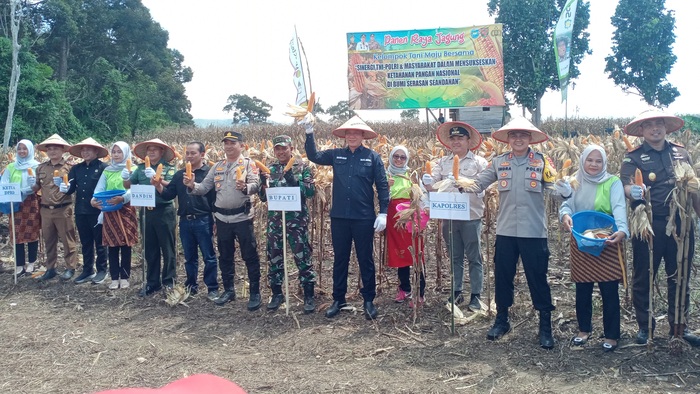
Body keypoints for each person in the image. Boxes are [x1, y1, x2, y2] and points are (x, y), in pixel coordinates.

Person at [472, 117, 568, 349]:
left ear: (530, 139)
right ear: (507, 139)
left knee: (538, 279)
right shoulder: (498, 162)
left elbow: (554, 190)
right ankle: (501, 319)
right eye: (513, 135)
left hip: (534, 231)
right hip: (506, 231)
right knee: (503, 276)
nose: (518, 139)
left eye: (523, 135)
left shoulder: (543, 163)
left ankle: (545, 325)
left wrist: (564, 190)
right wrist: (454, 183)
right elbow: (477, 183)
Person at [620, 109, 700, 347]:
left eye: (659, 124)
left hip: (681, 224)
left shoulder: (681, 153)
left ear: (666, 128)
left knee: (680, 274)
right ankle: (646, 327)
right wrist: (631, 192)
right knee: (645, 275)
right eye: (650, 125)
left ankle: (679, 327)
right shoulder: (632, 157)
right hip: (649, 224)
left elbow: (693, 186)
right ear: (642, 131)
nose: (655, 128)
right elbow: (625, 183)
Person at [303, 115, 390, 320]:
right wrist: (309, 132)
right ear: (345, 136)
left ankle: (368, 300)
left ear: (362, 136)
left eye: (356, 133)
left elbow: (383, 185)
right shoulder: (336, 155)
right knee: (340, 259)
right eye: (349, 133)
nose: (352, 136)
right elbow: (313, 155)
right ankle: (338, 299)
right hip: (339, 217)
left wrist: (384, 212)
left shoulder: (372, 157)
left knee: (365, 259)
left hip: (363, 217)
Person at [559, 145, 628, 352]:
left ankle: (612, 335)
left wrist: (622, 230)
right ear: (582, 160)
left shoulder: (613, 182)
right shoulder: (574, 180)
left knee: (609, 289)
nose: (594, 165)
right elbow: (566, 205)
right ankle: (583, 329)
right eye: (590, 160)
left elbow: (619, 207)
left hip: (606, 238)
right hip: (581, 238)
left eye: (598, 161)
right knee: (582, 287)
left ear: (604, 163)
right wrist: (564, 215)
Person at [185, 131, 262, 311]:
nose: (228, 146)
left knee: (249, 255)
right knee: (225, 256)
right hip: (222, 219)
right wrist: (191, 185)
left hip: (242, 218)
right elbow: (204, 187)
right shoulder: (218, 166)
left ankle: (255, 293)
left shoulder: (249, 164)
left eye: (232, 143)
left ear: (241, 145)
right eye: (226, 143)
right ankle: (229, 290)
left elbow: (256, 185)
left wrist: (245, 187)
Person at [423, 122, 487, 310]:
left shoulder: (479, 163)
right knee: (455, 256)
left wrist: (467, 185)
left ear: (468, 141)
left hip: (471, 216)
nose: (457, 141)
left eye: (461, 138)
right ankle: (456, 292)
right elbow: (431, 186)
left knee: (474, 257)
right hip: (448, 216)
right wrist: (426, 181)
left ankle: (476, 295)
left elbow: (486, 188)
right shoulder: (441, 163)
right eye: (453, 138)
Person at [154, 142, 219, 301]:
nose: (189, 156)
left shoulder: (209, 174)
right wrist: (158, 186)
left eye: (193, 153)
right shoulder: (179, 175)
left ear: (202, 154)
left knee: (208, 255)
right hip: (185, 221)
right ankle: (191, 286)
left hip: (204, 219)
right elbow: (169, 195)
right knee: (189, 257)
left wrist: (216, 220)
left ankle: (212, 288)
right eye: (187, 153)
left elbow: (215, 199)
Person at [258, 135, 317, 313]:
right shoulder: (271, 169)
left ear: (291, 148)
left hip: (296, 222)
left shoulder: (303, 168)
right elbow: (263, 197)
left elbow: (309, 192)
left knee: (303, 257)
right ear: (274, 151)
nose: (281, 152)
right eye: (278, 149)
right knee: (274, 257)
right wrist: (262, 181)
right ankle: (277, 294)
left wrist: (292, 178)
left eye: (284, 148)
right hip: (275, 221)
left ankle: (308, 295)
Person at [123, 138, 177, 296]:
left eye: (155, 149)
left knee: (168, 248)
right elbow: (128, 186)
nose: (151, 152)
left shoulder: (169, 168)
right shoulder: (140, 169)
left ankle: (169, 281)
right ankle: (152, 282)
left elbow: (172, 187)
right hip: (147, 212)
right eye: (149, 149)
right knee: (150, 249)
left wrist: (158, 179)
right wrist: (125, 177)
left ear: (162, 152)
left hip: (164, 211)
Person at [61, 138, 109, 284]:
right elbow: (70, 188)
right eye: (83, 150)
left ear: (96, 151)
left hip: (97, 210)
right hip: (81, 210)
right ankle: (88, 270)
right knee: (85, 242)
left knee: (100, 242)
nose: (85, 152)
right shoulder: (76, 169)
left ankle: (102, 270)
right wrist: (63, 188)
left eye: (88, 149)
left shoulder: (103, 168)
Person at [32, 134, 78, 281]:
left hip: (63, 208)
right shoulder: (41, 168)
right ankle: (50, 268)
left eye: (55, 149)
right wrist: (30, 184)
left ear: (63, 150)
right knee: (49, 240)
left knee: (67, 239)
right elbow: (37, 187)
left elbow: (75, 187)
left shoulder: (70, 168)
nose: (52, 151)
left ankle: (70, 268)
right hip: (45, 209)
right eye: (49, 149)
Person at [93, 142, 139, 290]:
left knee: (126, 243)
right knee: (112, 244)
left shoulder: (133, 169)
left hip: (126, 208)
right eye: (114, 152)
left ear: (125, 153)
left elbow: (135, 188)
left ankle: (125, 276)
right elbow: (99, 188)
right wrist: (94, 200)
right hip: (109, 208)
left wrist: (123, 198)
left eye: (119, 152)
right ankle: (114, 277)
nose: (116, 155)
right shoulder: (107, 171)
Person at [385, 145, 426, 307]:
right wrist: (385, 187)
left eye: (402, 157)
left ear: (407, 159)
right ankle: (404, 288)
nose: (399, 160)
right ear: (391, 158)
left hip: (411, 216)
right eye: (396, 156)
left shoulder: (413, 175)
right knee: (399, 253)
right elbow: (378, 197)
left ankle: (420, 292)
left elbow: (421, 196)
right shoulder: (385, 175)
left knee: (416, 252)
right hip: (393, 217)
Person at [1, 139, 40, 276]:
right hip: (14, 202)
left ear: (30, 150)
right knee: (16, 233)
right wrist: (15, 192)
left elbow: (37, 184)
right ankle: (19, 264)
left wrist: (24, 190)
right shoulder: (11, 167)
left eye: (25, 149)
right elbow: (4, 182)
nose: (22, 151)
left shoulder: (37, 166)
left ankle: (32, 262)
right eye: (19, 149)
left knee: (32, 232)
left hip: (31, 202)